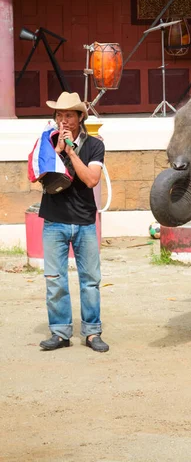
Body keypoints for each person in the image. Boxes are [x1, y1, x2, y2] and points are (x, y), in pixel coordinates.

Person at [36, 92, 109, 353]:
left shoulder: (95, 145)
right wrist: (56, 152)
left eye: (69, 115)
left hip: (84, 221)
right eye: (59, 115)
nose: (63, 120)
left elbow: (91, 180)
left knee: (90, 280)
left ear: (80, 118)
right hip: (54, 220)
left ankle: (92, 332)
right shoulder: (47, 141)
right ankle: (60, 332)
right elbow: (39, 176)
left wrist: (71, 152)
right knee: (55, 279)